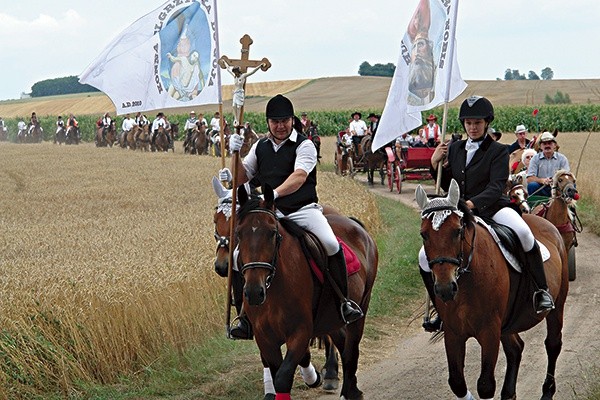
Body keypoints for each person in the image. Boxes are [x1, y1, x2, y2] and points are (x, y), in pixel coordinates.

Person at [220, 94, 364, 339]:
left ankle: (343, 302)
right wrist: (234, 155)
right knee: (236, 257)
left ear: (291, 120)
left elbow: (299, 177)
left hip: (302, 210)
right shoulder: (260, 147)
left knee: (330, 243)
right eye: (275, 121)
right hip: (269, 214)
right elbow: (243, 178)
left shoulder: (304, 145)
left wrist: (273, 194)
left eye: (285, 120)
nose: (280, 125)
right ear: (268, 123)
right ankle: (244, 316)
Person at [423, 95, 554, 332]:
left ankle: (540, 290)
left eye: (478, 123)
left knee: (524, 233)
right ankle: (440, 309)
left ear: (486, 123)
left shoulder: (498, 150)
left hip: (493, 208)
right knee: (425, 255)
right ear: (463, 124)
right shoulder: (454, 149)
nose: (472, 128)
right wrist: (434, 165)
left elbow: (496, 186)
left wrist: (471, 204)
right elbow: (448, 187)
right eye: (469, 123)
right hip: (461, 211)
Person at [526, 131, 570, 197]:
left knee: (572, 186)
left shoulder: (562, 159)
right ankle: (536, 205)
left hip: (558, 188)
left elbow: (567, 176)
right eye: (544, 144)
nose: (547, 146)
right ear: (540, 146)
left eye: (549, 143)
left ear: (555, 145)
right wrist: (542, 180)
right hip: (542, 188)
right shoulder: (535, 159)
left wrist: (555, 181)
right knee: (532, 185)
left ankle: (569, 205)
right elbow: (529, 178)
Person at [222, 61, 265, 127]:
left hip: (240, 93)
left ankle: (238, 120)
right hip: (236, 92)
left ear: (238, 71)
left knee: (239, 106)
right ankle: (235, 119)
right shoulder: (234, 76)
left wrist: (259, 66)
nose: (235, 74)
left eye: (236, 72)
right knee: (234, 106)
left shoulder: (243, 76)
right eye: (234, 73)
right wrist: (224, 62)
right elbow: (228, 69)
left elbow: (252, 72)